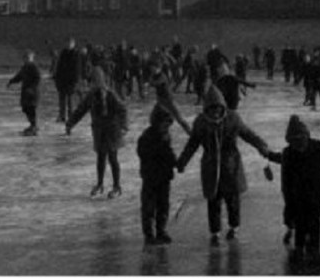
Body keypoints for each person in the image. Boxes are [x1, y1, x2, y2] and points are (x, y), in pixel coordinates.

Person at [176, 86, 271, 245]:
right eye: (212, 109)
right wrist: (182, 161)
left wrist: (261, 145)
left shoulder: (232, 118)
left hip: (231, 164)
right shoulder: (201, 123)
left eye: (218, 109)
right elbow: (192, 144)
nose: (215, 112)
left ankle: (234, 226)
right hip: (210, 166)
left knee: (232, 199)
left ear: (222, 107)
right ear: (207, 109)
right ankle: (215, 231)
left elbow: (247, 134)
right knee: (213, 200)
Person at [266, 115, 320, 265]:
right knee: (301, 221)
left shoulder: (317, 147)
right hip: (298, 193)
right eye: (295, 140)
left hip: (316, 191)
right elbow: (284, 168)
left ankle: (314, 248)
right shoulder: (289, 153)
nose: (299, 143)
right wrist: (269, 155)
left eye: (302, 138)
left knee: (314, 220)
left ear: (307, 136)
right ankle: (299, 247)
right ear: (290, 141)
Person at [66, 68, 128, 199]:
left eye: (93, 81)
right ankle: (100, 184)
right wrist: (71, 122)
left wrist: (124, 126)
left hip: (112, 130)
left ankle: (117, 186)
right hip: (100, 130)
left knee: (112, 158)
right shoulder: (91, 95)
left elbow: (122, 109)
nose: (91, 84)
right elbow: (81, 110)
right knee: (101, 157)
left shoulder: (110, 94)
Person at [137, 104, 178, 245]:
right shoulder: (147, 137)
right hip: (150, 177)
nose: (166, 127)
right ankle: (149, 234)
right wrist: (162, 152)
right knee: (149, 207)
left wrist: (174, 162)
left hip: (164, 177)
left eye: (168, 124)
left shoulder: (165, 136)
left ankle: (161, 230)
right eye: (164, 123)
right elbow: (143, 153)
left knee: (163, 205)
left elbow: (169, 154)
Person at [148, 63, 191, 134]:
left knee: (179, 118)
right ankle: (157, 132)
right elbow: (152, 81)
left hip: (168, 100)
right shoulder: (154, 75)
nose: (153, 70)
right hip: (160, 100)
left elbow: (158, 83)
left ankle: (190, 132)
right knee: (153, 118)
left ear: (159, 68)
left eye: (154, 68)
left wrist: (151, 83)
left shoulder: (163, 76)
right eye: (152, 69)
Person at [7, 50, 42, 136]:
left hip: (33, 93)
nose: (26, 59)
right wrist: (11, 81)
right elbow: (19, 76)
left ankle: (34, 126)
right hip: (25, 92)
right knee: (25, 108)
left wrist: (32, 88)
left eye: (28, 58)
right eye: (25, 58)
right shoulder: (24, 67)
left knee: (31, 109)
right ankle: (32, 125)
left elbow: (38, 78)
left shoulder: (34, 67)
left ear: (32, 58)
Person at [53, 38, 82, 123]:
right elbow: (59, 66)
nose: (69, 45)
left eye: (70, 43)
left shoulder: (76, 54)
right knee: (62, 99)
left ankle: (71, 116)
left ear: (73, 44)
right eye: (67, 43)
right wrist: (57, 78)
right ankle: (62, 116)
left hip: (71, 81)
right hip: (62, 80)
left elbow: (77, 69)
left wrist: (75, 81)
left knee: (70, 100)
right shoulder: (63, 53)